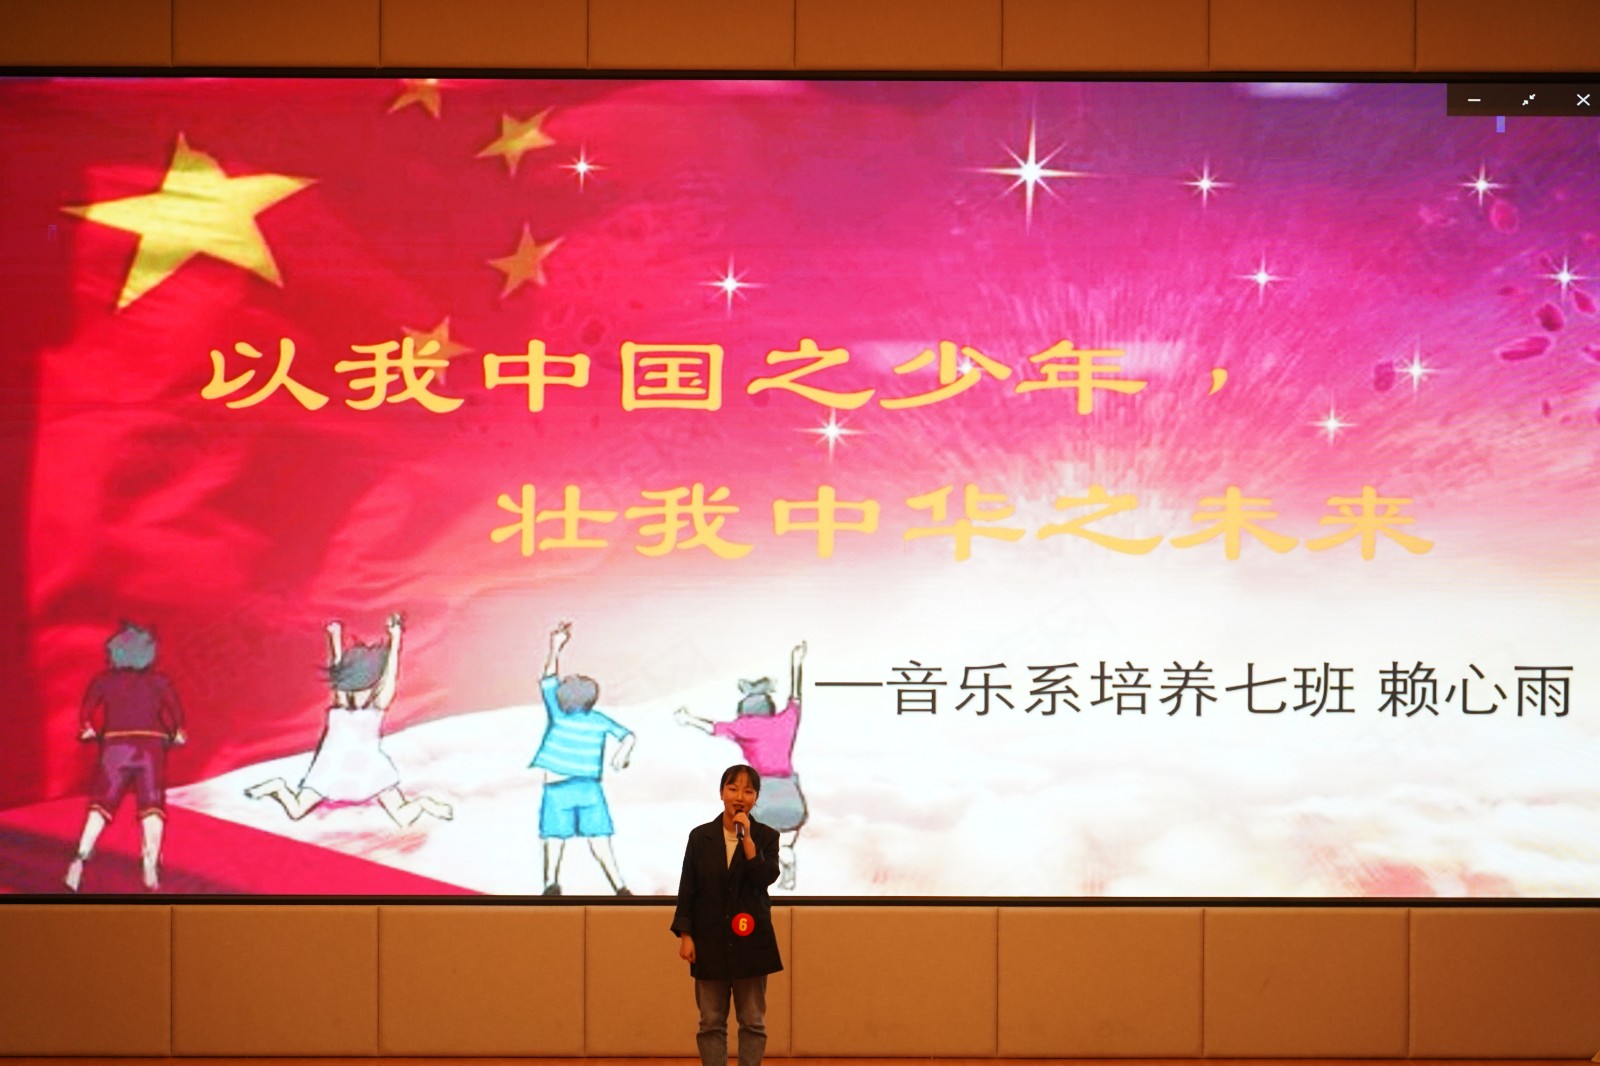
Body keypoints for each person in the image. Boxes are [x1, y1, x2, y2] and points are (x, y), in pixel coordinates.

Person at [245, 614, 452, 827]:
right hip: (331, 767)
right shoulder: (342, 700)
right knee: (296, 810)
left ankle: (426, 804)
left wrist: (395, 640)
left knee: (402, 816)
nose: (359, 690)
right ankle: (277, 787)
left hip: (369, 768)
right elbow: (338, 669)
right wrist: (335, 638)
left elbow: (389, 675)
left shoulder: (375, 705)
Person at [671, 764, 783, 1066]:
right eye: (733, 789)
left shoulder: (766, 836)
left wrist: (747, 841)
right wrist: (686, 935)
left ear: (756, 798)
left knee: (753, 1022)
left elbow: (765, 878)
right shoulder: (700, 837)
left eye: (748, 791)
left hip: (752, 943)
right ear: (721, 793)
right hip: (709, 942)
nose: (739, 797)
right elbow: (688, 888)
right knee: (710, 1022)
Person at [66, 622, 187, 892]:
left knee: (102, 804)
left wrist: (88, 729)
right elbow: (176, 713)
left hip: (115, 745)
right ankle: (150, 864)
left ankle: (80, 858)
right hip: (151, 746)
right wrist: (178, 733)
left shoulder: (103, 680)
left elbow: (87, 713)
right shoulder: (159, 681)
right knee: (152, 806)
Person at [675, 642, 806, 889]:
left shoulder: (745, 726)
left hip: (763, 795)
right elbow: (796, 696)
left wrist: (688, 719)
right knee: (785, 844)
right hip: (791, 794)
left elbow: (713, 728)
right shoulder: (786, 720)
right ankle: (786, 874)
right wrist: (796, 664)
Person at [531, 620, 635, 895]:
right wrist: (621, 757)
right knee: (599, 839)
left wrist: (555, 647)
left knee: (554, 838)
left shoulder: (558, 713)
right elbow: (627, 736)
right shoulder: (597, 719)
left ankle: (551, 884)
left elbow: (548, 678)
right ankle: (620, 887)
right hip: (589, 787)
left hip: (557, 788)